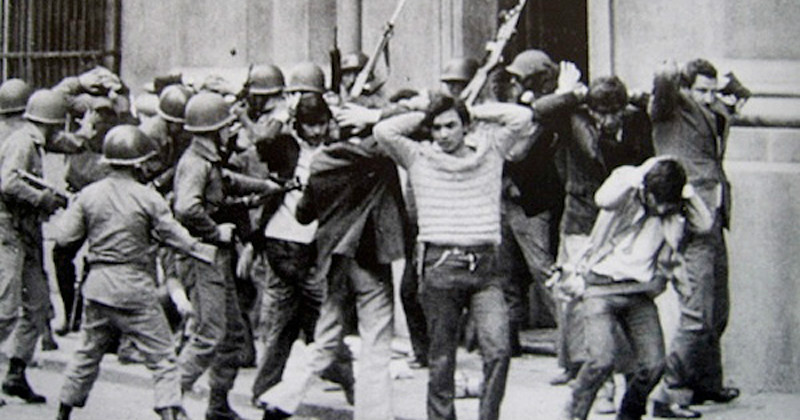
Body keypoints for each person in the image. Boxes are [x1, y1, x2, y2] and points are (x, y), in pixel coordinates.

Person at [372, 91, 547, 420]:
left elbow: (522, 117)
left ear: (465, 126)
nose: (443, 134)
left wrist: (472, 110)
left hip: (486, 267)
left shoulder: (492, 150)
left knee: (498, 349)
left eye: (451, 126)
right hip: (440, 266)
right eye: (436, 128)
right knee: (441, 359)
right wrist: (426, 112)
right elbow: (384, 132)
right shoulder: (418, 157)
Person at [52, 125, 217, 420]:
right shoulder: (148, 198)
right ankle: (170, 414)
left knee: (87, 354)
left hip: (99, 286)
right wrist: (202, 249)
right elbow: (174, 234)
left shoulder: (89, 195)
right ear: (139, 163)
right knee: (163, 359)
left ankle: (63, 412)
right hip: (134, 287)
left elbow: (64, 237)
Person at [260, 94, 407, 420]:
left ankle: (283, 396)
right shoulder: (375, 153)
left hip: (332, 264)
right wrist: (373, 114)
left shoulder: (322, 162)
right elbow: (414, 118)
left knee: (325, 340)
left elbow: (303, 215)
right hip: (369, 258)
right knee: (376, 343)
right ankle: (373, 415)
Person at [558, 157, 713, 420]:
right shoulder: (627, 189)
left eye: (667, 206)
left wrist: (687, 191)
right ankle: (573, 413)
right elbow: (603, 199)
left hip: (639, 293)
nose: (660, 210)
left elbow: (704, 225)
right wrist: (638, 176)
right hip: (600, 287)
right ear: (646, 191)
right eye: (656, 202)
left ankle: (630, 414)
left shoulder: (674, 208)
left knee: (653, 366)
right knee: (601, 361)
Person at [172, 91, 284, 420]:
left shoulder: (208, 162)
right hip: (202, 255)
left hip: (214, 258)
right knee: (208, 335)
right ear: (214, 131)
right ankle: (170, 401)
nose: (230, 132)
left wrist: (266, 187)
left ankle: (218, 406)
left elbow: (229, 183)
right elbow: (186, 207)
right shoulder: (196, 163)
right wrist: (214, 230)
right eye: (226, 127)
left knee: (233, 335)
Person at [649, 59, 749, 419]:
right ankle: (671, 390)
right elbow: (662, 83)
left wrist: (724, 83)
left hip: (715, 217)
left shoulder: (713, 111)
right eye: (700, 91)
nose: (707, 98)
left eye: (711, 91)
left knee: (718, 309)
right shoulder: (671, 109)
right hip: (689, 218)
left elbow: (741, 94)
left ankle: (707, 380)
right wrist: (672, 71)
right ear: (685, 90)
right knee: (698, 311)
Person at [553, 75, 654, 413]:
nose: (607, 121)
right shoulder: (575, 118)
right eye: (601, 114)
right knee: (585, 305)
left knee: (619, 300)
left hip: (624, 224)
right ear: (590, 109)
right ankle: (600, 384)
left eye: (615, 114)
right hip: (584, 219)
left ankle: (623, 379)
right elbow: (542, 109)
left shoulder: (637, 120)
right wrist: (569, 93)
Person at [246, 93, 335, 404]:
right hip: (283, 241)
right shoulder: (286, 148)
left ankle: (344, 379)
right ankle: (265, 389)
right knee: (292, 320)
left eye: (321, 124)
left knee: (318, 319)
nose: (315, 132)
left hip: (318, 244)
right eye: (309, 125)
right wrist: (283, 113)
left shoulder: (336, 151)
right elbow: (261, 139)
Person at [0, 89, 79, 405]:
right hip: (9, 230)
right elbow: (7, 183)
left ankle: (16, 373)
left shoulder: (34, 142)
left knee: (38, 305)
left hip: (26, 230)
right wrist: (42, 198)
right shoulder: (22, 142)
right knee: (5, 309)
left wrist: (46, 199)